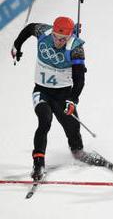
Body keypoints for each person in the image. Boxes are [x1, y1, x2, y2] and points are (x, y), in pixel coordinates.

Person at [11, 16, 90, 181]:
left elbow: (80, 80)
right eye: (55, 36)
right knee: (44, 120)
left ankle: (78, 152)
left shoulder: (75, 48)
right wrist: (16, 45)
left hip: (63, 94)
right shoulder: (43, 32)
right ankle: (38, 162)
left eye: (63, 38)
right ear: (52, 31)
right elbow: (29, 28)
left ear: (69, 36)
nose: (58, 41)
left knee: (72, 126)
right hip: (42, 91)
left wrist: (72, 99)